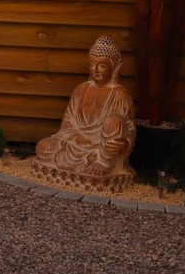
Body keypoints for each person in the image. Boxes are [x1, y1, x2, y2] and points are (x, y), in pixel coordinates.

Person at [34, 36, 136, 182]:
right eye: (92, 64)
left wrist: (124, 143)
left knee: (115, 121)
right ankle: (89, 159)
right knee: (43, 146)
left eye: (102, 65)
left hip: (101, 148)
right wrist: (76, 138)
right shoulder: (81, 89)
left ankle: (103, 163)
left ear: (116, 67)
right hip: (77, 144)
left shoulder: (120, 94)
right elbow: (67, 124)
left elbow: (129, 129)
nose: (95, 70)